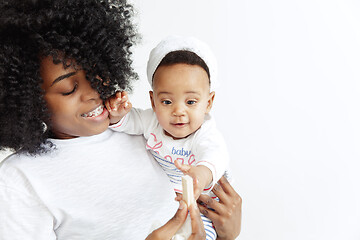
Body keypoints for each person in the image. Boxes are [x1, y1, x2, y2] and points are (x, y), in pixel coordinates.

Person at [0, 0, 241, 239]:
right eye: (69, 89)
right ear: (28, 101)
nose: (94, 91)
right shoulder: (21, 178)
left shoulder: (148, 132)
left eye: (96, 73)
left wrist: (227, 235)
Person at [105, 35, 230, 239]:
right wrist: (118, 114)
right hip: (169, 202)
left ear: (208, 102)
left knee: (198, 232)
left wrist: (201, 175)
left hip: (202, 201)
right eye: (166, 102)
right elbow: (129, 122)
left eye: (190, 102)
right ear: (153, 101)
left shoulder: (205, 133)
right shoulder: (151, 121)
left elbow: (216, 156)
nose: (178, 111)